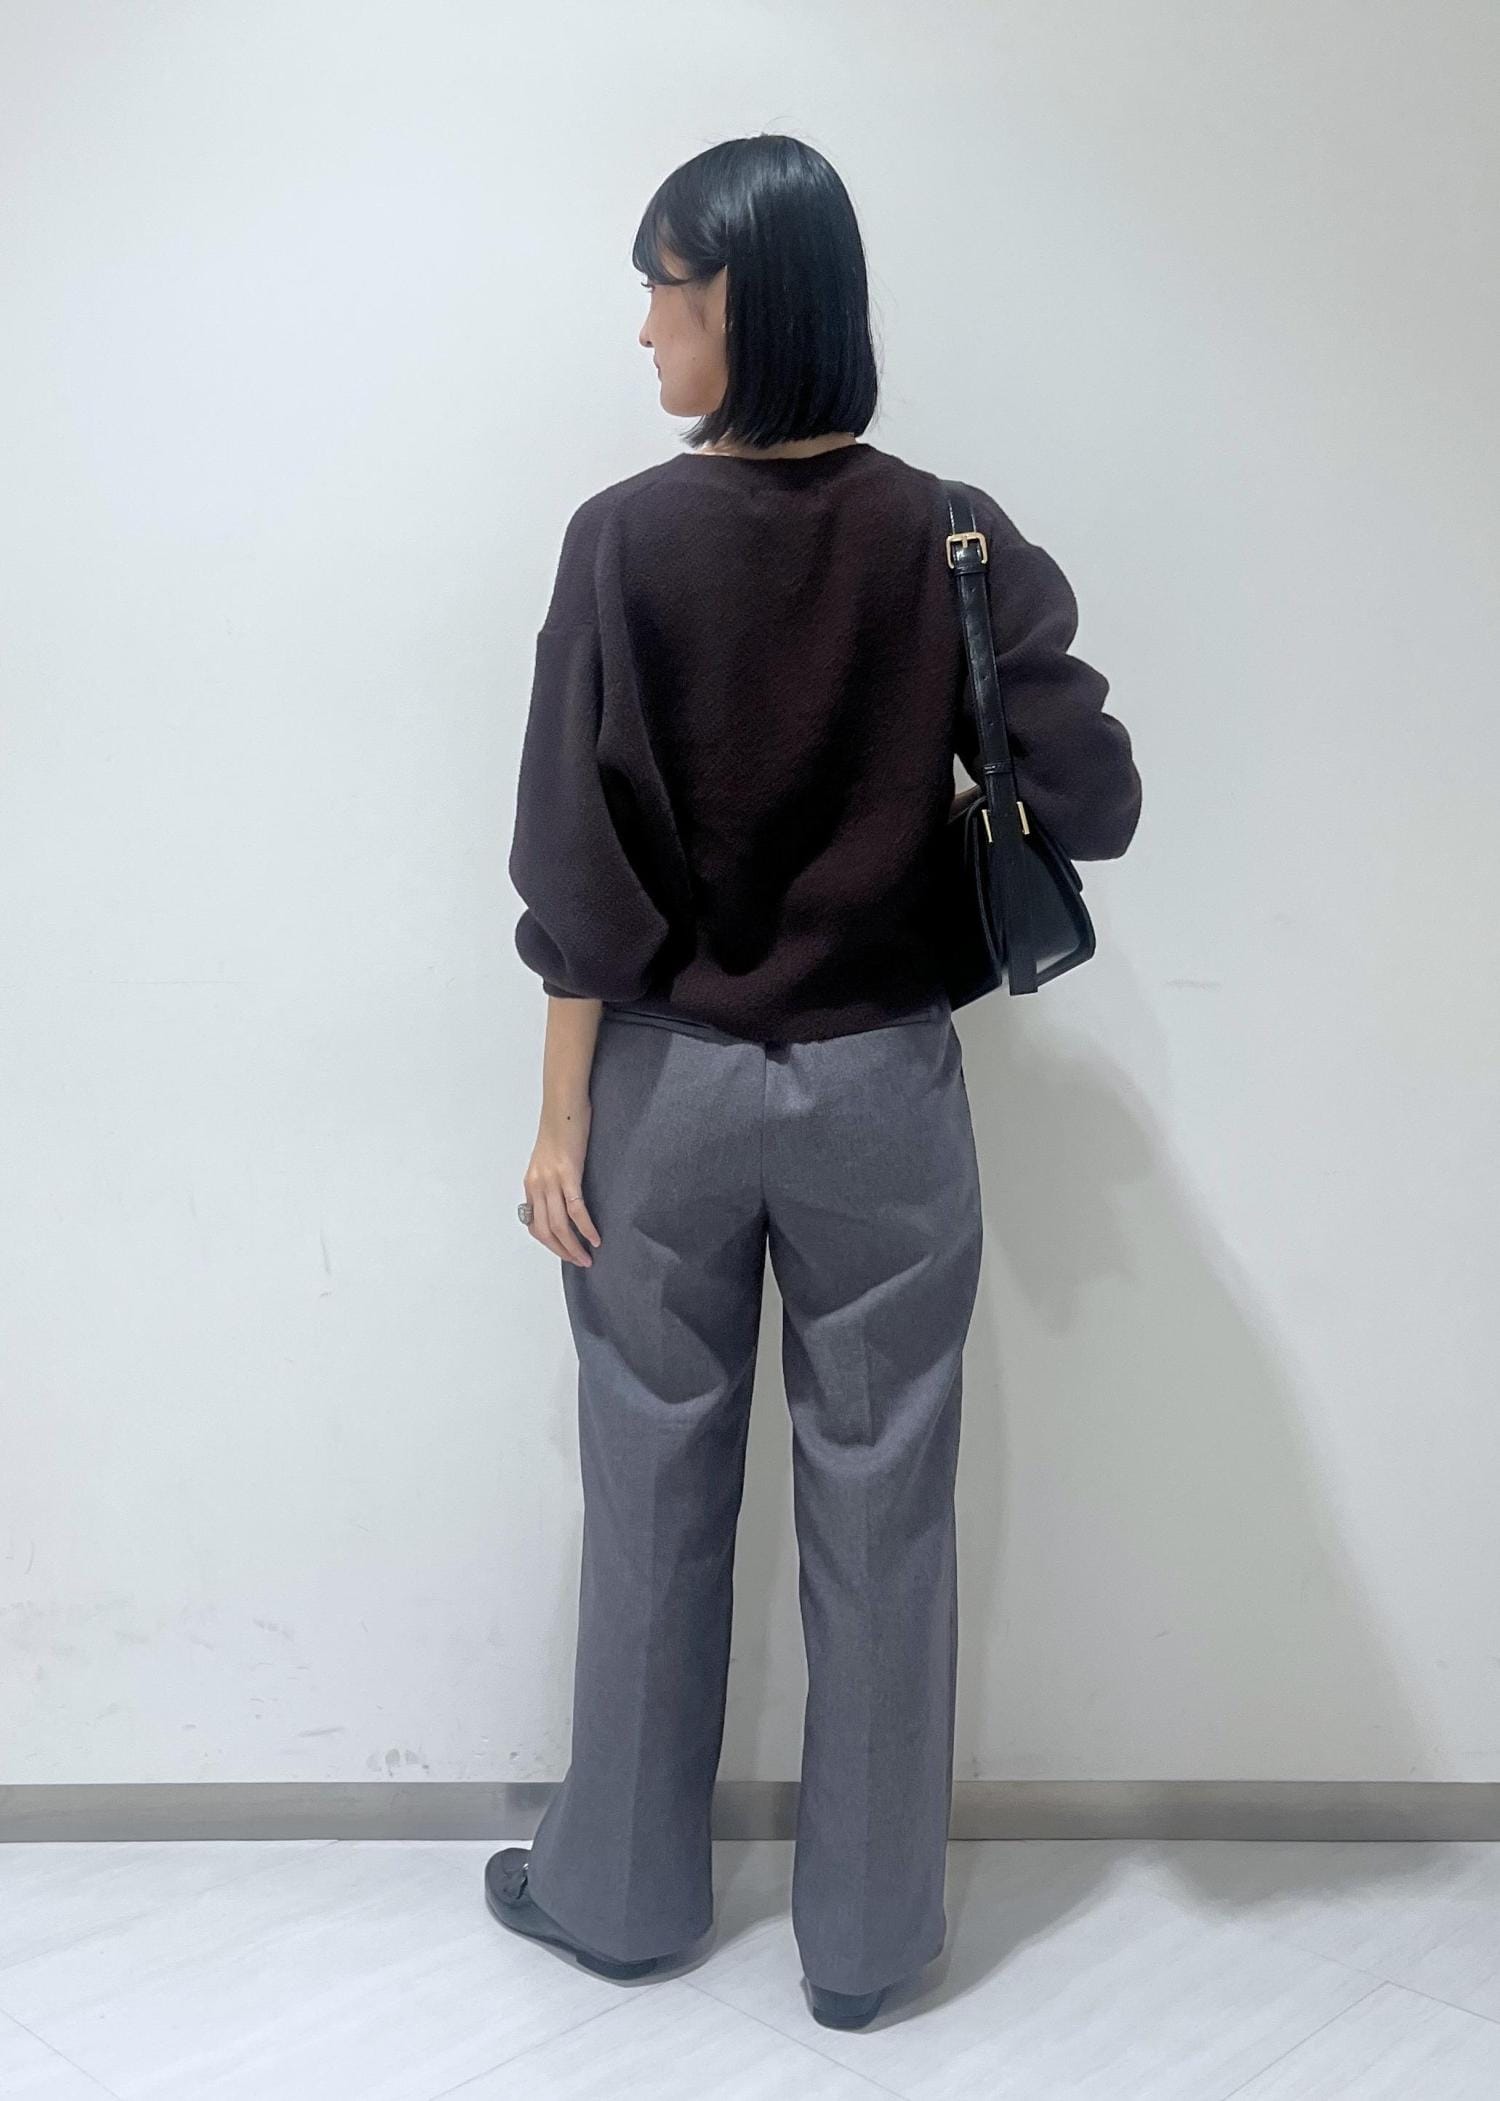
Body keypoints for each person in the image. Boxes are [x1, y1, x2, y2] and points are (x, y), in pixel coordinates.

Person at [484, 133, 1143, 2031]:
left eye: (666, 291)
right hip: (880, 1095)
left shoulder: (622, 539)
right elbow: (1095, 795)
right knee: (884, 1501)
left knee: (649, 1487)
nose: (645, 330)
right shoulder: (951, 533)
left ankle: (618, 1893)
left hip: (668, 1090)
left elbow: (574, 867)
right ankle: (862, 1945)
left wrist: (560, 1117)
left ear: (746, 303)